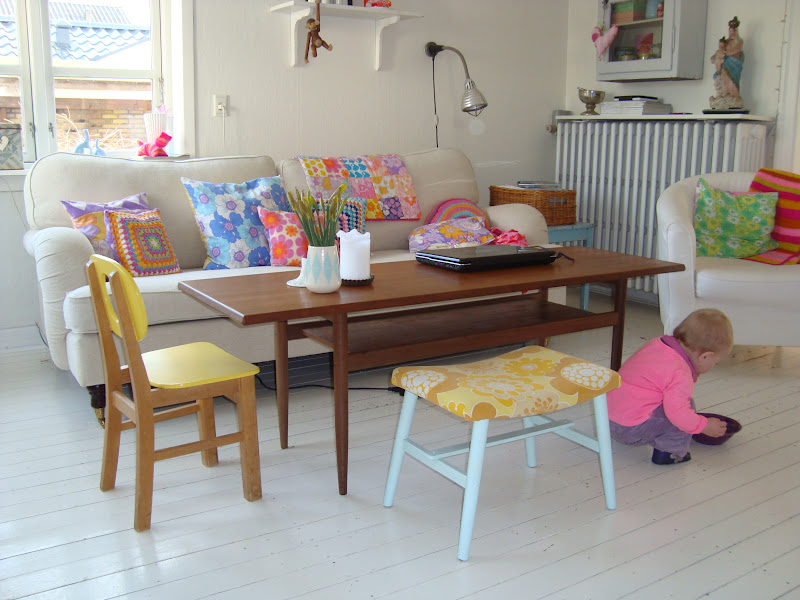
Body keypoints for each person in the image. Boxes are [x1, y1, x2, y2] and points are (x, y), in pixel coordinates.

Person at [607, 309, 733, 465]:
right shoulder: (680, 372)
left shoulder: (656, 344)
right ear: (705, 356)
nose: (714, 366)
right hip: (630, 431)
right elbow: (679, 414)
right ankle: (670, 452)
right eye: (716, 362)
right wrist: (704, 425)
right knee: (685, 408)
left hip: (607, 419)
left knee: (670, 404)